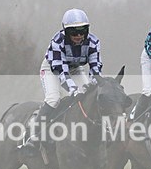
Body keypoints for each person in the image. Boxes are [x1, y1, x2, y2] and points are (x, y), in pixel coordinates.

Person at [21, 8, 103, 151]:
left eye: (82, 30)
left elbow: (95, 68)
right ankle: (33, 135)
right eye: (73, 32)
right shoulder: (57, 42)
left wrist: (96, 85)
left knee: (90, 97)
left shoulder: (93, 42)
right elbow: (61, 71)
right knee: (54, 99)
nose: (78, 35)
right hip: (52, 69)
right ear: (65, 31)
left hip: (76, 69)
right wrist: (73, 90)